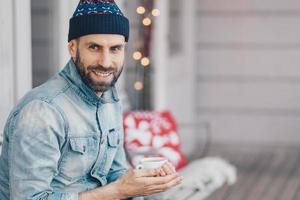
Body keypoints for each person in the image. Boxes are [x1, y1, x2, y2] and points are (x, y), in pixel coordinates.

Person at [0, 0, 182, 199]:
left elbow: (116, 173)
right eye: (94, 47)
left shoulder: (110, 98)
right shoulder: (42, 111)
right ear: (72, 48)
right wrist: (120, 190)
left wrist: (143, 182)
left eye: (115, 49)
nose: (105, 62)